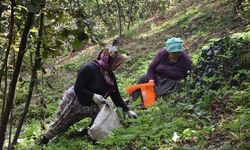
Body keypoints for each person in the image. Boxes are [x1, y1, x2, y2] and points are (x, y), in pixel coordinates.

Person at [39, 46, 138, 145]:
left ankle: (93, 133)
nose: (118, 65)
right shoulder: (89, 68)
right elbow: (79, 88)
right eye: (117, 62)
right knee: (60, 124)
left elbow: (115, 95)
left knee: (103, 111)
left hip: (90, 105)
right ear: (110, 59)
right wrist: (93, 96)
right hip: (74, 101)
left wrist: (128, 111)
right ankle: (44, 140)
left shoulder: (109, 75)